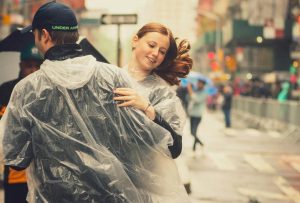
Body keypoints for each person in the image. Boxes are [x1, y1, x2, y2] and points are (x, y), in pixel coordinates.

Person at [0, 2, 188, 203]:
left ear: (44, 35)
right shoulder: (113, 76)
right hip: (110, 196)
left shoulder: (26, 89)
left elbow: (16, 160)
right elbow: (140, 141)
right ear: (75, 34)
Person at [112, 23, 193, 193]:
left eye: (162, 51)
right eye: (152, 45)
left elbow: (175, 148)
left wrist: (148, 109)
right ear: (135, 41)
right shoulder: (109, 79)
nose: (156, 53)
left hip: (143, 186)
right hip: (107, 182)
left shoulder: (163, 93)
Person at [0, 42, 43, 203]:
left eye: (37, 66)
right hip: (15, 169)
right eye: (28, 66)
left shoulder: (46, 90)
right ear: (20, 65)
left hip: (41, 167)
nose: (33, 70)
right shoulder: (6, 90)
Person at [187, 79, 207, 151]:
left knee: (193, 132)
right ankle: (195, 147)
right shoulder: (196, 90)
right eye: (198, 83)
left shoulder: (204, 92)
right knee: (193, 132)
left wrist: (190, 90)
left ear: (203, 84)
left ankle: (200, 144)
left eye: (200, 83)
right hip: (192, 114)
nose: (198, 84)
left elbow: (197, 100)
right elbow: (190, 99)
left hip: (198, 115)